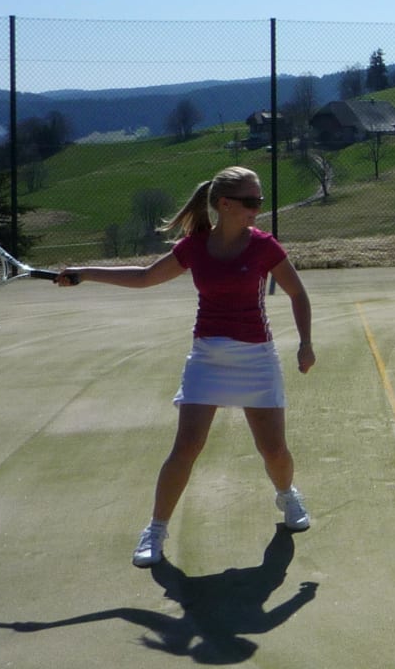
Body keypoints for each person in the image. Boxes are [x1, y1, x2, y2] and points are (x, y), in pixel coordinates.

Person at [57, 165, 315, 568]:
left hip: (256, 359)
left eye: (260, 200)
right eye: (251, 201)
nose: (258, 208)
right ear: (225, 204)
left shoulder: (264, 246)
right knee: (186, 448)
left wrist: (305, 343)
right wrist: (85, 273)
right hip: (206, 358)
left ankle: (287, 495)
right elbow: (145, 277)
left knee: (274, 451)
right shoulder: (195, 247)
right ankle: (156, 529)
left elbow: (298, 293)